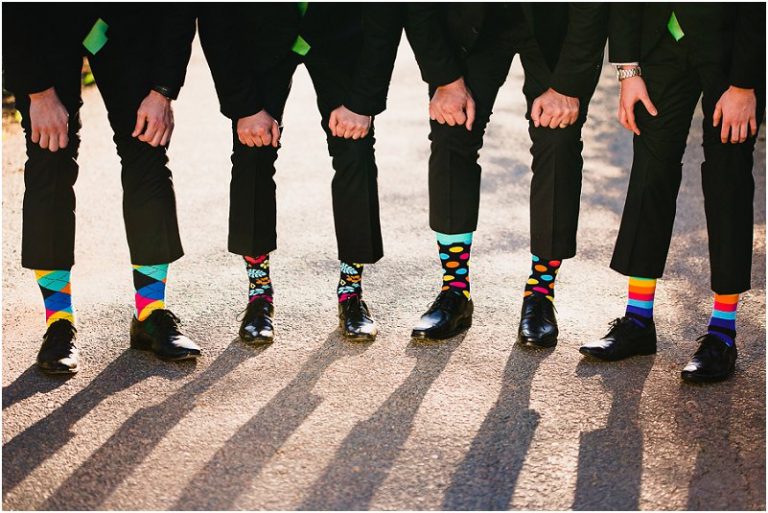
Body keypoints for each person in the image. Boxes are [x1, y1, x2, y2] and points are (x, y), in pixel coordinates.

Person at [2, 5, 202, 374]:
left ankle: (150, 312)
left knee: (148, 145)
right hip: (44, 22)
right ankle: (58, 321)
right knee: (49, 156)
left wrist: (162, 89)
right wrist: (37, 92)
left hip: (128, 20)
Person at [192, 4, 402, 343]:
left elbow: (385, 12)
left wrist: (364, 101)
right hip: (259, 33)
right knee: (252, 154)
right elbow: (216, 15)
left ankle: (351, 291)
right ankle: (259, 294)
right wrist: (244, 106)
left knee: (356, 152)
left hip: (342, 31)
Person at [579, 4, 766, 383]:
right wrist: (629, 70)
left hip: (732, 51)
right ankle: (637, 320)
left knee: (727, 180)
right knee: (650, 173)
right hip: (660, 42)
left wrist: (745, 83)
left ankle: (723, 334)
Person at [403, 3, 608, 342]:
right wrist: (444, 78)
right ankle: (455, 289)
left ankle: (541, 292)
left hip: (556, 21)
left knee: (558, 142)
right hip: (472, 19)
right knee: (451, 132)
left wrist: (568, 84)